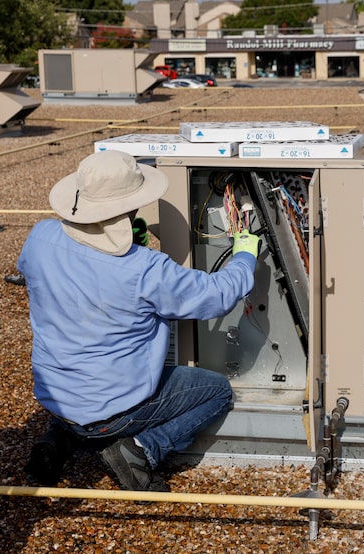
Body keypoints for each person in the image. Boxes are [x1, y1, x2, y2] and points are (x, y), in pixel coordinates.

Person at [17, 150, 260, 491]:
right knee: (216, 391)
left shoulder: (39, 238)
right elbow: (216, 296)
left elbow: (67, 275)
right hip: (112, 411)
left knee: (79, 402)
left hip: (55, 396)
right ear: (131, 205)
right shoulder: (144, 269)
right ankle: (140, 450)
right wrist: (245, 255)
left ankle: (57, 442)